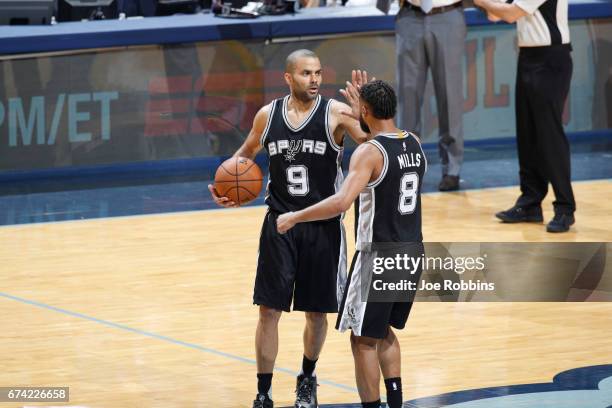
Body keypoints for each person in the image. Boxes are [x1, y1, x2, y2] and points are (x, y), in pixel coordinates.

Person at [209, 49, 369, 408]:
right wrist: (224, 187)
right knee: (268, 311)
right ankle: (263, 392)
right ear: (288, 78)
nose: (314, 80)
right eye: (306, 73)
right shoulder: (268, 116)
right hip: (279, 224)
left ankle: (307, 377)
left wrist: (365, 117)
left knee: (316, 313)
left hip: (322, 226)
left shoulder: (336, 114)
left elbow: (373, 143)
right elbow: (244, 155)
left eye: (318, 73)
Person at [277, 79, 427, 408]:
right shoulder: (414, 142)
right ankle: (396, 403)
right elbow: (385, 146)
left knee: (362, 341)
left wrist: (295, 216)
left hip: (378, 255)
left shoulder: (368, 153)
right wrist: (366, 110)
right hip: (413, 252)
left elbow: (342, 201)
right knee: (383, 331)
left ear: (366, 110)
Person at [474, 0, 576, 232]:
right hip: (528, 57)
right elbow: (494, 15)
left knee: (550, 135)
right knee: (528, 132)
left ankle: (565, 208)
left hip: (551, 58)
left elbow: (510, 14)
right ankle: (530, 203)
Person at [377, 0, 465, 191]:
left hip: (447, 14)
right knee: (407, 96)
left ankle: (452, 169)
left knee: (450, 95)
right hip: (410, 16)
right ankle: (408, 163)